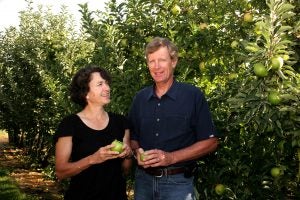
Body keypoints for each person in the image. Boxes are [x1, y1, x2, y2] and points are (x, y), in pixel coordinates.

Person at [128, 37, 218, 200]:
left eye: (161, 60)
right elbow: (133, 138)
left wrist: (171, 158)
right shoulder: (140, 99)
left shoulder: (193, 96)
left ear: (174, 61)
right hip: (143, 182)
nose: (156, 67)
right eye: (151, 61)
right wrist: (136, 152)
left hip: (178, 184)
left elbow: (210, 142)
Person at [54, 65, 132, 200]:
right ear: (86, 93)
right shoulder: (70, 124)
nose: (107, 88)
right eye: (100, 84)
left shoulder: (120, 122)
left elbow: (125, 169)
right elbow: (61, 172)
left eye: (107, 83)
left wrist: (128, 154)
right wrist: (93, 159)